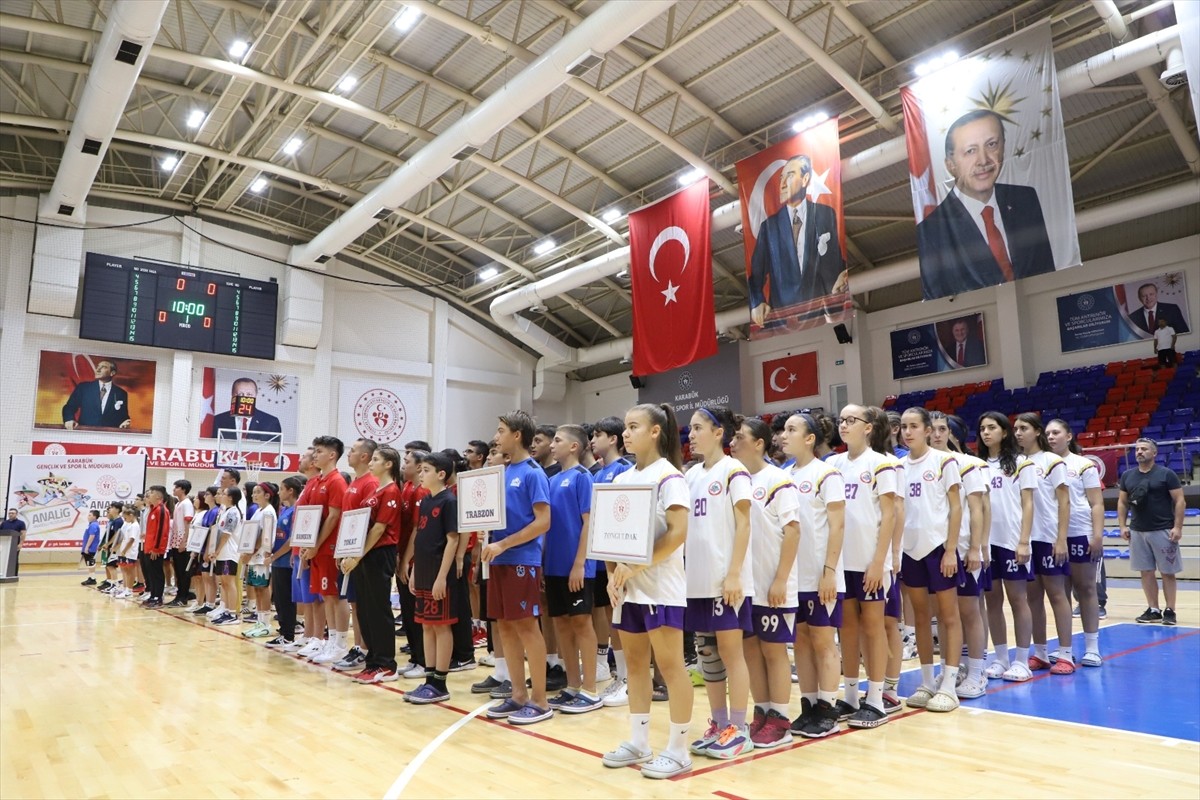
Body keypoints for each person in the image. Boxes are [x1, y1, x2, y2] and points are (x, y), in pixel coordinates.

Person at [599, 403, 693, 780]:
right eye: (625, 427)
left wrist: (635, 566)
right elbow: (609, 537)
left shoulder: (670, 478)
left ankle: (679, 749)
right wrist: (611, 574)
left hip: (661, 589)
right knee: (635, 667)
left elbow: (677, 534)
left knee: (669, 668)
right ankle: (639, 741)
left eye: (634, 426)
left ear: (655, 431)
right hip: (628, 591)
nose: (626, 433)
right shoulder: (621, 479)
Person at [916, 110, 1054, 299]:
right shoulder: (933, 231)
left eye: (991, 145)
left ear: (1003, 148)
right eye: (970, 151)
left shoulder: (1025, 199)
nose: (983, 160)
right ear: (951, 165)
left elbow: (1046, 270)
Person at [683, 406, 754, 760]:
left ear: (718, 432)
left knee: (730, 651)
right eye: (690, 429)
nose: (691, 434)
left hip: (726, 580)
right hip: (696, 580)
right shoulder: (690, 474)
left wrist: (734, 573)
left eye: (698, 428)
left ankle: (739, 730)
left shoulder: (734, 470)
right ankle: (719, 723)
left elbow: (744, 524)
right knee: (706, 652)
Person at [828, 405, 899, 728]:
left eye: (851, 420)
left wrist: (879, 562)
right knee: (848, 629)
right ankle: (852, 694)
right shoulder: (832, 465)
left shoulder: (881, 464)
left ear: (868, 427)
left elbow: (890, 517)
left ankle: (876, 697)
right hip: (842, 562)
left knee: (873, 627)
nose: (844, 425)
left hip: (870, 561)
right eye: (841, 420)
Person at [480, 411, 553, 725]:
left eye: (500, 431)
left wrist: (504, 544)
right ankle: (518, 694)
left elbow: (543, 522)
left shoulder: (533, 473)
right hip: (498, 560)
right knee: (505, 627)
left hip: (522, 560)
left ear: (517, 435)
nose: (496, 438)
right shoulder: (502, 471)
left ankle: (540, 700)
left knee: (526, 627)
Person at [731, 417, 800, 747]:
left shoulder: (778, 480)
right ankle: (761, 712)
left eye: (739, 437)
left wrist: (781, 579)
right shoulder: (737, 479)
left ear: (759, 443)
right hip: (746, 585)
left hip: (773, 582)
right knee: (750, 650)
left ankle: (780, 718)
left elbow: (793, 531)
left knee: (774, 651)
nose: (732, 442)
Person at [782, 412, 847, 737]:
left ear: (809, 438)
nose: (784, 435)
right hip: (795, 577)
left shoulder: (827, 474)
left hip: (822, 574)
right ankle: (808, 705)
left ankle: (827, 707)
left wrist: (830, 572)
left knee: (823, 642)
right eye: (783, 430)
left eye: (791, 430)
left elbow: (837, 526)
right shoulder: (783, 475)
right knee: (801, 642)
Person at [898, 408, 963, 713]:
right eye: (903, 427)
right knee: (920, 618)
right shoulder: (897, 467)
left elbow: (956, 508)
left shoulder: (943, 461)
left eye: (913, 426)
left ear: (927, 430)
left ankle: (949, 683)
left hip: (938, 548)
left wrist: (951, 550)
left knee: (948, 617)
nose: (907, 432)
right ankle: (927, 682)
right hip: (910, 551)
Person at [543, 425, 603, 714]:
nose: (552, 445)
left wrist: (580, 563)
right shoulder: (553, 480)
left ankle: (591, 690)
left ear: (574, 447)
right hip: (553, 566)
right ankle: (572, 686)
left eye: (557, 440)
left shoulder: (582, 478)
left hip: (577, 567)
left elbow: (589, 522)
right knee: (562, 624)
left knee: (581, 623)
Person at [930, 413, 990, 698]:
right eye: (934, 429)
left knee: (969, 611)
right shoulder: (923, 465)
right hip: (936, 552)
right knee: (944, 614)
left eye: (944, 429)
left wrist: (977, 547)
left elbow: (979, 509)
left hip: (965, 549)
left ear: (953, 434)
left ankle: (978, 671)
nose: (938, 434)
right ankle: (950, 668)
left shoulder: (968, 465)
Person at [748, 155, 846, 327]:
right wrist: (756, 301)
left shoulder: (825, 214)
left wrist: (843, 275)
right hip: (784, 320)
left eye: (790, 175)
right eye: (781, 178)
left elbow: (835, 261)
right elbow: (755, 276)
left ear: (805, 179)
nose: (783, 183)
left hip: (821, 315)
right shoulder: (769, 227)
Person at [976, 412, 1036, 682]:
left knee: (1018, 599)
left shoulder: (1022, 463)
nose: (986, 432)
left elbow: (1028, 504)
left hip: (1013, 541)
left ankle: (1022, 660)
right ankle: (1001, 658)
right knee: (992, 601)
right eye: (982, 428)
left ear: (1004, 431)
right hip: (988, 543)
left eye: (992, 427)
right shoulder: (976, 465)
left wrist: (1024, 541)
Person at [1013, 413, 1073, 673]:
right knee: (1033, 598)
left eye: (1023, 428)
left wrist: (1061, 539)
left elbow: (1064, 501)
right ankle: (1040, 653)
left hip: (1048, 537)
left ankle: (1067, 655)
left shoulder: (1052, 461)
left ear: (1037, 431)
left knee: (1057, 594)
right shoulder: (1015, 462)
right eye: (1015, 428)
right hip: (1025, 538)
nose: (1017, 433)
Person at [403, 451, 462, 701]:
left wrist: (441, 577)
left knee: (441, 626)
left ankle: (440, 682)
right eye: (421, 469)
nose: (421, 474)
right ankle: (428, 679)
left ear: (441, 474)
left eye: (426, 470)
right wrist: (416, 570)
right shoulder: (426, 501)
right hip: (424, 572)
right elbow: (421, 540)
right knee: (426, 625)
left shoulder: (449, 501)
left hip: (440, 575)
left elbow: (452, 540)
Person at [342, 445, 404, 684]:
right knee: (365, 609)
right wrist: (350, 552)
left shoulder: (391, 491)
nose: (371, 463)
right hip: (364, 553)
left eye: (376, 459)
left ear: (388, 464)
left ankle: (387, 664)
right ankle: (373, 662)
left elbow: (379, 529)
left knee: (379, 609)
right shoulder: (375, 491)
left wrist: (356, 555)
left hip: (379, 552)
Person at [1045, 420, 1104, 667]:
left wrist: (1098, 536)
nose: (1051, 437)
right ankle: (1064, 648)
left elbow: (1097, 503)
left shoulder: (1083, 465)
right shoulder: (1040, 465)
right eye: (1047, 433)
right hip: (1051, 535)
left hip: (1080, 532)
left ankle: (1092, 647)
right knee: (1060, 593)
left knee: (1086, 589)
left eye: (1056, 432)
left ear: (1069, 436)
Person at [1118, 438, 1185, 626]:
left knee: (1167, 572)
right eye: (1137, 449)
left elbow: (1180, 501)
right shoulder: (1127, 476)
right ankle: (1153, 609)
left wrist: (1178, 527)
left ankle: (1170, 610)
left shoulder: (1166, 474)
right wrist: (1123, 526)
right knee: (1146, 572)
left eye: (1144, 449)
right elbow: (1122, 502)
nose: (1139, 452)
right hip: (1137, 531)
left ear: (1154, 453)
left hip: (1163, 529)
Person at [592, 415, 634, 705]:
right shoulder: (597, 473)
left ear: (613, 439)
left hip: (621, 560)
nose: (592, 440)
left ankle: (631, 677)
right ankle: (619, 675)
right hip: (601, 557)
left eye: (598, 434)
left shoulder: (625, 470)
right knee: (610, 616)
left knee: (623, 618)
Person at [329, 439, 380, 672]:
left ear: (365, 457)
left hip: (362, 554)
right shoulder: (354, 483)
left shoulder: (371, 483)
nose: (348, 454)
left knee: (362, 604)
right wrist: (342, 551)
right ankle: (359, 647)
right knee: (354, 603)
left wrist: (355, 552)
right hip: (348, 550)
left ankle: (366, 648)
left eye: (353, 451)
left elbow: (367, 522)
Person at [299, 436, 350, 660]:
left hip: (329, 547)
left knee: (335, 596)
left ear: (332, 455)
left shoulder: (336, 481)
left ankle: (340, 643)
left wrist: (317, 543)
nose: (314, 455)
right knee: (325, 595)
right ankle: (330, 641)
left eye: (319, 451)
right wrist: (307, 544)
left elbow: (334, 517)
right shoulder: (318, 481)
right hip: (317, 548)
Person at [264, 475, 305, 650]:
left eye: (281, 489)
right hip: (277, 561)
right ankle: (283, 632)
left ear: (291, 491)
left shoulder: (296, 510)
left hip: (285, 562)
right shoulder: (284, 510)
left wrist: (274, 556)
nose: (279, 492)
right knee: (279, 600)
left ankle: (288, 635)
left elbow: (291, 540)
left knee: (287, 599)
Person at [241, 483, 278, 639]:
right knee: (256, 589)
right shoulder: (258, 511)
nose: (253, 495)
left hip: (261, 556)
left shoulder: (268, 512)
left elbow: (264, 536)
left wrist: (251, 552)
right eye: (253, 492)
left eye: (257, 492)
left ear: (267, 495)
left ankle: (266, 624)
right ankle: (260, 620)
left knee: (262, 589)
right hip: (254, 556)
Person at [61, 359, 132, 429]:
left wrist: (125, 422)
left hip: (109, 436)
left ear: (112, 373)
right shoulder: (83, 388)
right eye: (98, 366)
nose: (97, 369)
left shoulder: (121, 393)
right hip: (86, 433)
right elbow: (69, 407)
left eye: (103, 367)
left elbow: (123, 417)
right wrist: (69, 419)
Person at [209, 487, 244, 625]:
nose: (221, 495)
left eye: (224, 493)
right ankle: (227, 611)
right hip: (223, 553)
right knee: (224, 582)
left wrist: (217, 550)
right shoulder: (226, 511)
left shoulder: (233, 513)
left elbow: (226, 534)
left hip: (229, 552)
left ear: (230, 497)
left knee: (229, 582)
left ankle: (233, 614)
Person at [211, 377, 283, 440]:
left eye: (249, 394)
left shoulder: (271, 422)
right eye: (240, 394)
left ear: (255, 395)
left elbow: (276, 453)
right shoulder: (218, 421)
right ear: (232, 394)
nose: (244, 398)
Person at [165, 481, 195, 608]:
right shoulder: (178, 504)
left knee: (183, 572)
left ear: (183, 490)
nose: (174, 489)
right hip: (176, 542)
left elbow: (188, 523)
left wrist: (184, 541)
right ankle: (179, 595)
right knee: (178, 571)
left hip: (182, 542)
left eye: (176, 487)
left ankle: (183, 597)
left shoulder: (187, 504)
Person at [140, 486, 170, 608]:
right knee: (151, 573)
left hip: (155, 549)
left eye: (151, 493)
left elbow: (162, 531)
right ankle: (153, 595)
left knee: (157, 573)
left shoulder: (161, 510)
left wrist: (157, 548)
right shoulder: (153, 509)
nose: (148, 495)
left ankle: (158, 597)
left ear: (158, 496)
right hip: (148, 547)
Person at [80, 510, 101, 586]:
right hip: (89, 548)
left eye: (90, 515)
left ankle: (92, 579)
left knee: (91, 563)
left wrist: (87, 547)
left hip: (91, 548)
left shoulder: (93, 525)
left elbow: (92, 536)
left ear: (94, 517)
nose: (88, 517)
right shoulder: (91, 524)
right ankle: (91, 577)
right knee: (89, 564)